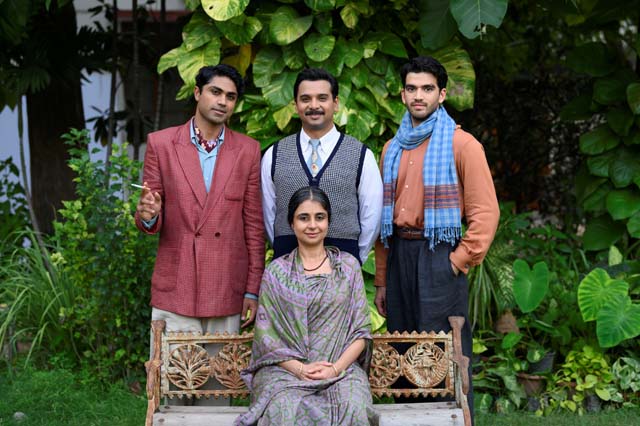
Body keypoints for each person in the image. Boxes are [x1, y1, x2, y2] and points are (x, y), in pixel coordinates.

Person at [373, 56, 500, 418]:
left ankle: (453, 421)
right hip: (400, 254)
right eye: (411, 88)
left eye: (427, 88)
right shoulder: (392, 148)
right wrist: (382, 280)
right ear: (402, 95)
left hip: (440, 255)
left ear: (441, 94)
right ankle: (410, 422)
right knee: (404, 349)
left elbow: (486, 213)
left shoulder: (463, 145)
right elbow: (385, 223)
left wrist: (457, 260)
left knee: (445, 350)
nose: (419, 95)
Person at [135, 64, 264, 368]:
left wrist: (252, 289)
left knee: (217, 391)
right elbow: (148, 213)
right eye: (215, 92)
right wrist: (149, 215)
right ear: (197, 93)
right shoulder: (162, 144)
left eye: (230, 97)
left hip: (226, 285)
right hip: (177, 282)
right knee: (173, 386)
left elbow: (254, 226)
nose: (222, 101)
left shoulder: (247, 150)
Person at [236, 186, 379, 426]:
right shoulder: (277, 273)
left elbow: (361, 333)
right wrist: (300, 369)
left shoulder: (347, 268)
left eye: (319, 217)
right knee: (284, 408)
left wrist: (335, 369)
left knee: (352, 406)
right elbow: (266, 338)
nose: (312, 225)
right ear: (292, 224)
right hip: (285, 371)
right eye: (304, 218)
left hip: (340, 368)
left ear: (328, 222)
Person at [261, 68, 383, 264]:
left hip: (343, 267)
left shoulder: (360, 155)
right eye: (306, 99)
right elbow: (268, 213)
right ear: (295, 105)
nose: (314, 105)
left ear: (335, 104)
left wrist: (353, 260)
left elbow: (372, 216)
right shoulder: (274, 155)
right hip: (287, 268)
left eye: (322, 98)